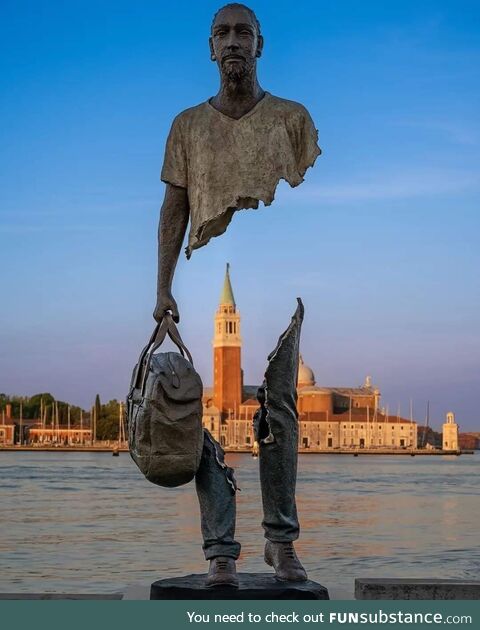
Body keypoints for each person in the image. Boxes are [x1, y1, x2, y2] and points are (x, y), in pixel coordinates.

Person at [153, 3, 321, 587]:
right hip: (204, 290)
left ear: (259, 44)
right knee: (195, 418)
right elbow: (172, 209)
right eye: (221, 33)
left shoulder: (293, 118)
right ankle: (220, 549)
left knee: (281, 414)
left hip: (277, 290)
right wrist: (163, 289)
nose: (232, 42)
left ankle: (281, 542)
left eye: (242, 32)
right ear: (209, 48)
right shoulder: (185, 126)